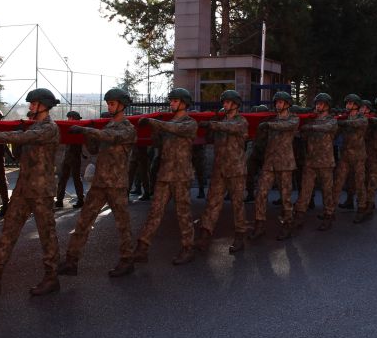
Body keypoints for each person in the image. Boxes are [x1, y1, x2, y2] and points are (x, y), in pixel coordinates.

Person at [0, 88, 62, 297]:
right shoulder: (34, 126)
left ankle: (51, 278)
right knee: (8, 231)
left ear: (44, 105)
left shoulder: (49, 128)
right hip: (23, 188)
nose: (30, 107)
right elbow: (21, 149)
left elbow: (23, 137)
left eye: (34, 104)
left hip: (41, 190)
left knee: (47, 235)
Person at [59, 88, 137, 277]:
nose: (109, 107)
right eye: (108, 104)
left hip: (116, 184)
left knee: (123, 225)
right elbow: (94, 149)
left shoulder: (127, 128)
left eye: (112, 104)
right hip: (100, 183)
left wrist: (87, 129)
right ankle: (71, 261)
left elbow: (111, 137)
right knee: (83, 221)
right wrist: (87, 136)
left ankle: (127, 261)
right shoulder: (107, 126)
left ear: (122, 105)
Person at [133, 88, 197, 265]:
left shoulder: (190, 123)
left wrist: (154, 122)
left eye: (175, 101)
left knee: (183, 213)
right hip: (165, 175)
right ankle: (142, 248)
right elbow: (157, 144)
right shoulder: (167, 124)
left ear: (184, 103)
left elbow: (175, 129)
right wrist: (155, 131)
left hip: (181, 176)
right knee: (155, 211)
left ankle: (188, 248)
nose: (171, 103)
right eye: (171, 101)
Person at [194, 90, 249, 254]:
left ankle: (239, 236)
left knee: (238, 205)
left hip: (236, 170)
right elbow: (210, 139)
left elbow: (230, 128)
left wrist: (212, 124)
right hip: (219, 169)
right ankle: (205, 234)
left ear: (235, 104)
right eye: (223, 102)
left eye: (227, 102)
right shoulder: (220, 121)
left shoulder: (241, 121)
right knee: (212, 203)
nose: (224, 105)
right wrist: (210, 127)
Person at [249, 91, 299, 241]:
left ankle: (288, 225)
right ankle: (259, 225)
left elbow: (284, 126)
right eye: (276, 102)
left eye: (280, 102)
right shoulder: (271, 119)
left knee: (285, 197)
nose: (278, 104)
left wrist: (268, 124)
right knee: (260, 193)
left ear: (287, 104)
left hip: (285, 163)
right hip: (269, 162)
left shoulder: (293, 119)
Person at [294, 92, 337, 232]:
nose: (318, 106)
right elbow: (303, 135)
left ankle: (328, 215)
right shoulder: (311, 120)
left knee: (327, 191)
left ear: (327, 106)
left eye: (321, 104)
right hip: (311, 161)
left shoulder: (331, 120)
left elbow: (326, 128)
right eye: (317, 104)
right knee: (305, 191)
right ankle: (299, 216)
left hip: (325, 162)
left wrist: (309, 127)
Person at [333, 94, 369, 223]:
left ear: (356, 105)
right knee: (338, 182)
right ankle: (330, 210)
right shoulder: (344, 117)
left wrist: (341, 122)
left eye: (349, 103)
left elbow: (356, 124)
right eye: (347, 103)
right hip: (345, 155)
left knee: (359, 183)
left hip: (358, 156)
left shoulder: (362, 118)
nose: (347, 105)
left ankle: (362, 208)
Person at [55, 110, 84, 209]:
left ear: (72, 118)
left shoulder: (78, 128)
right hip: (68, 156)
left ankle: (80, 200)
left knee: (74, 179)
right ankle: (60, 200)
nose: (67, 119)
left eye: (69, 118)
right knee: (64, 179)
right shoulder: (71, 128)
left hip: (74, 156)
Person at [244, 105, 270, 202]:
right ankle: (250, 193)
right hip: (254, 151)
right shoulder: (251, 123)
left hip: (265, 152)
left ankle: (262, 195)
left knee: (265, 176)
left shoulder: (269, 124)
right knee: (249, 173)